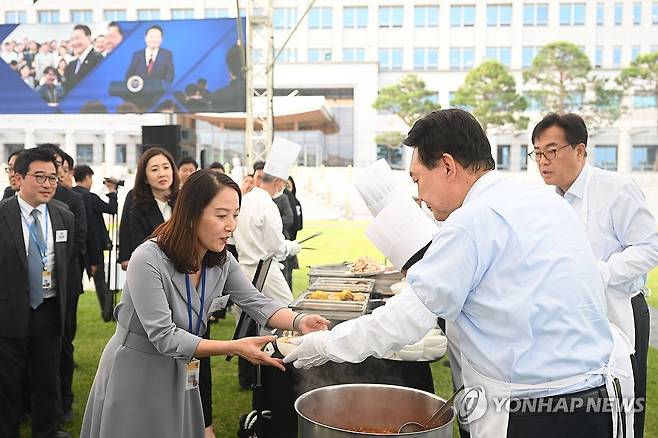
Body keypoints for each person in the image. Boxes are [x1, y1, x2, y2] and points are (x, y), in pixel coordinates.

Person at [285, 109, 634, 438]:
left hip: (534, 412)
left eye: (418, 179)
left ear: (448, 166)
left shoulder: (472, 221)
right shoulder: (544, 201)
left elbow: (407, 319)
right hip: (599, 399)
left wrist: (326, 343)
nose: (419, 197)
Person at [80, 170, 329, 438]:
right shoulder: (148, 258)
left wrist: (299, 320)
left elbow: (256, 301)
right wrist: (233, 347)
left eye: (235, 215)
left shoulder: (220, 258)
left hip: (182, 367)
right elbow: (163, 336)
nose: (231, 225)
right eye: (221, 215)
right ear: (191, 214)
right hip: (138, 370)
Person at [531, 112, 658, 438]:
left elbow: (649, 247)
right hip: (571, 313)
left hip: (619, 309)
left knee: (625, 398)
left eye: (551, 151)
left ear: (580, 150)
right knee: (582, 398)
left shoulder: (616, 189)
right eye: (536, 153)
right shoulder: (548, 202)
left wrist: (598, 273)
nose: (542, 161)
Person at [0, 148, 75, 438]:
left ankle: (46, 431)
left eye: (53, 178)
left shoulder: (63, 215)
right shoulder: (3, 214)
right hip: (9, 312)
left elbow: (66, 263)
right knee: (7, 383)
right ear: (18, 178)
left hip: (49, 309)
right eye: (40, 177)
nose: (48, 184)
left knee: (47, 380)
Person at [37, 145, 88, 424]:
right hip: (27, 290)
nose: (49, 178)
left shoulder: (71, 199)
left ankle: (63, 400)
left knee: (63, 344)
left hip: (65, 286)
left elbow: (79, 239)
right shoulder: (14, 200)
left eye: (55, 169)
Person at [119, 147, 178, 271]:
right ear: (145, 177)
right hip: (149, 266)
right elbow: (125, 228)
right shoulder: (136, 201)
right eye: (154, 169)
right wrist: (125, 256)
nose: (162, 174)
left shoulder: (184, 199)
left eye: (166, 167)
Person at [72, 165, 118, 319]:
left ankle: (70, 312)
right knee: (100, 281)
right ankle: (107, 313)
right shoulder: (90, 197)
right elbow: (112, 208)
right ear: (87, 177)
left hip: (75, 246)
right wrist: (112, 191)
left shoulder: (70, 196)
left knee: (74, 281)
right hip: (94, 246)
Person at [63, 25, 103, 92]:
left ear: (89, 38)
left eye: (77, 38)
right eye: (72, 40)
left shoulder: (98, 60)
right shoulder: (72, 65)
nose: (74, 43)